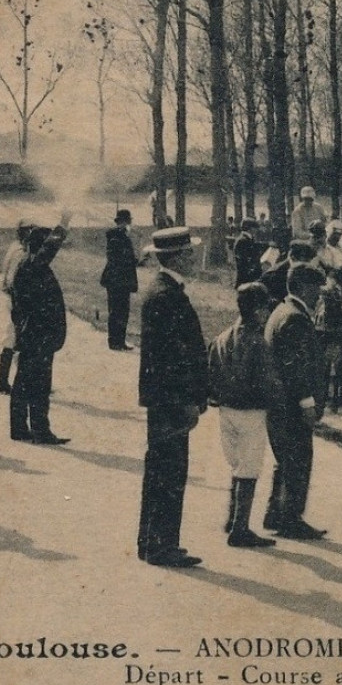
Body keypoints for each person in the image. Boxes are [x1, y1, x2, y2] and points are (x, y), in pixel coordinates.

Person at [135, 227, 209, 568]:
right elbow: (174, 359)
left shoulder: (164, 290)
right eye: (190, 254)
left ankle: (153, 542)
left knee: (161, 473)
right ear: (178, 257)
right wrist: (188, 400)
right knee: (168, 474)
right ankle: (161, 546)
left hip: (165, 399)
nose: (195, 259)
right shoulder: (167, 296)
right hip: (171, 401)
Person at [207, 283, 277, 549]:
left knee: (236, 465)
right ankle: (240, 528)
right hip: (252, 412)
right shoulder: (258, 342)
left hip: (226, 410)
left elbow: (211, 371)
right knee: (249, 468)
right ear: (258, 310)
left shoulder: (223, 337)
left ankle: (231, 517)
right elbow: (268, 381)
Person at [264, 264, 327, 540]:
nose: (319, 295)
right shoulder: (295, 318)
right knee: (299, 458)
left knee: (286, 460)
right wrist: (307, 402)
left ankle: (275, 513)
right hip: (290, 403)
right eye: (316, 289)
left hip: (278, 402)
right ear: (303, 286)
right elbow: (295, 367)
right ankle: (291, 519)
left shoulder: (281, 311)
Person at [9, 219, 71, 446]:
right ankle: (40, 431)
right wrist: (63, 225)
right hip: (39, 335)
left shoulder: (27, 264)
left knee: (24, 381)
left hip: (30, 333)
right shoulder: (34, 264)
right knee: (39, 384)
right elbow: (49, 249)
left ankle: (19, 428)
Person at [0, 220, 33, 395]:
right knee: (13, 338)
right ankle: (3, 382)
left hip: (11, 298)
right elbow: (12, 280)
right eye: (30, 231)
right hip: (14, 300)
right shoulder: (20, 252)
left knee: (14, 338)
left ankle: (12, 380)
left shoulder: (15, 247)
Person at [101, 209, 140, 351]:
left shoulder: (119, 236)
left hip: (118, 279)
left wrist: (136, 261)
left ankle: (119, 341)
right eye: (128, 220)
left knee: (120, 311)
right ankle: (115, 342)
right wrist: (134, 261)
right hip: (118, 280)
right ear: (124, 222)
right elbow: (118, 259)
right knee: (118, 311)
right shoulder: (117, 236)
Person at [232, 219, 265, 287]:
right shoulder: (243, 240)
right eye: (255, 228)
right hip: (246, 278)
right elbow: (243, 261)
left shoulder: (247, 239)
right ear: (250, 229)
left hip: (250, 277)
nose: (256, 230)